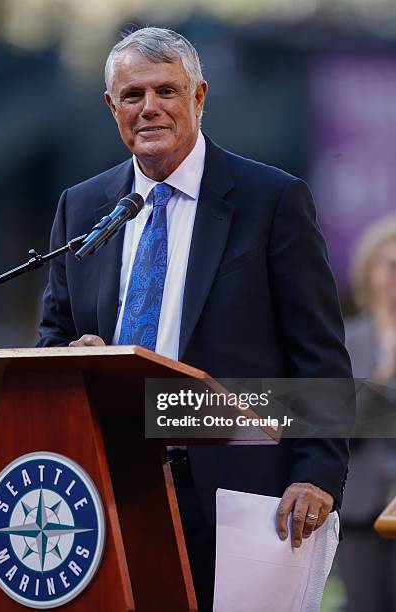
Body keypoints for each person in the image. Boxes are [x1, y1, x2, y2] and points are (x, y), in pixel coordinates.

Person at [38, 27, 353, 609]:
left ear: (200, 97)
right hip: (105, 484)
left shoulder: (270, 200)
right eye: (133, 95)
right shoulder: (82, 206)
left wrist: (316, 472)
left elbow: (319, 352)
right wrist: (72, 353)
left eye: (167, 91)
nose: (150, 108)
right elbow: (52, 336)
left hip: (236, 487)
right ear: (112, 107)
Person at [339, 215, 396, 611]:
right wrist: (385, 372)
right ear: (369, 271)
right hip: (359, 505)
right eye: (392, 266)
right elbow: (339, 420)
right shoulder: (345, 340)